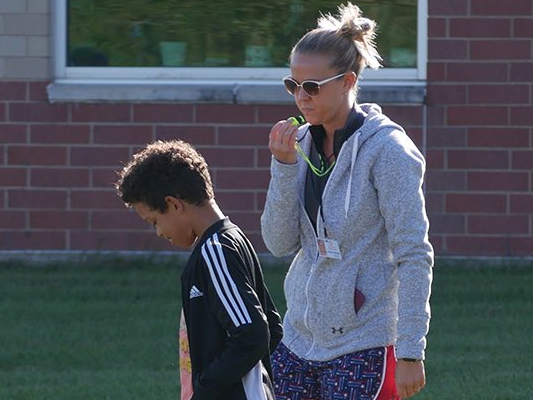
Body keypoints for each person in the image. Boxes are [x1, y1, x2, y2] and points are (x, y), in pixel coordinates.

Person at [261, 3, 433, 399]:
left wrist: (410, 351)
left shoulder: (388, 150)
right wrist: (284, 168)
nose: (301, 98)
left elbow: (414, 253)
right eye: (293, 85)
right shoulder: (300, 144)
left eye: (313, 87)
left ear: (347, 81)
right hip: (299, 339)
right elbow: (278, 242)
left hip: (364, 341)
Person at [117, 140, 283, 400]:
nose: (159, 232)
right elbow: (272, 327)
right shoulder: (232, 240)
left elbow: (253, 334)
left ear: (173, 204)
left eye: (154, 222)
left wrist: (207, 389)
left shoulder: (215, 251)